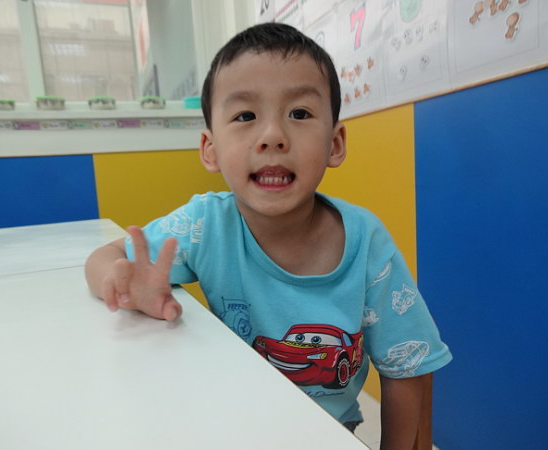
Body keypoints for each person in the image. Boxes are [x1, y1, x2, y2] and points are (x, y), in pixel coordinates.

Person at [85, 22, 452, 448]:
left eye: (299, 114)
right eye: (245, 116)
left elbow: (407, 365)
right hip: (233, 427)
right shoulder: (206, 224)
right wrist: (126, 284)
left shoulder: (365, 241)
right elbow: (103, 257)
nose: (273, 137)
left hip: (329, 434)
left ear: (335, 143)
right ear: (210, 149)